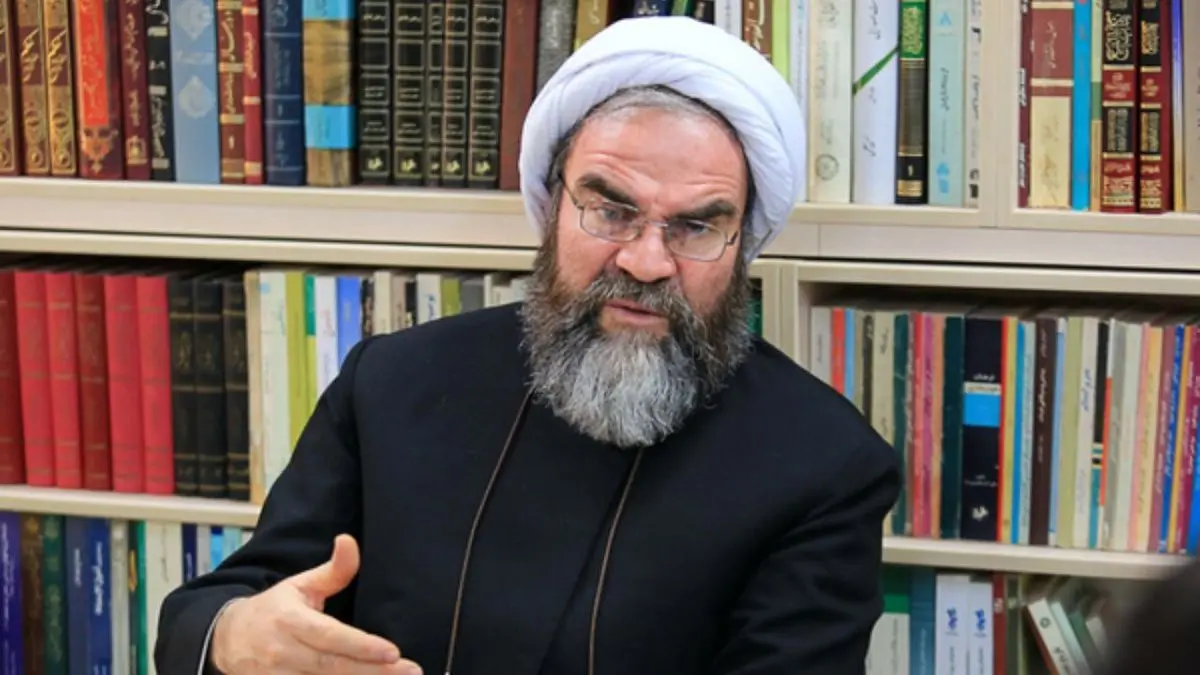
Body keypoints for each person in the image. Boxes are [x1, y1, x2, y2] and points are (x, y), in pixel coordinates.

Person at [154, 15, 902, 675]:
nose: (647, 261)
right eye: (611, 211)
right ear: (552, 207)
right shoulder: (395, 381)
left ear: (742, 246)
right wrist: (237, 635)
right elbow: (222, 606)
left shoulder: (824, 464)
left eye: (697, 226)